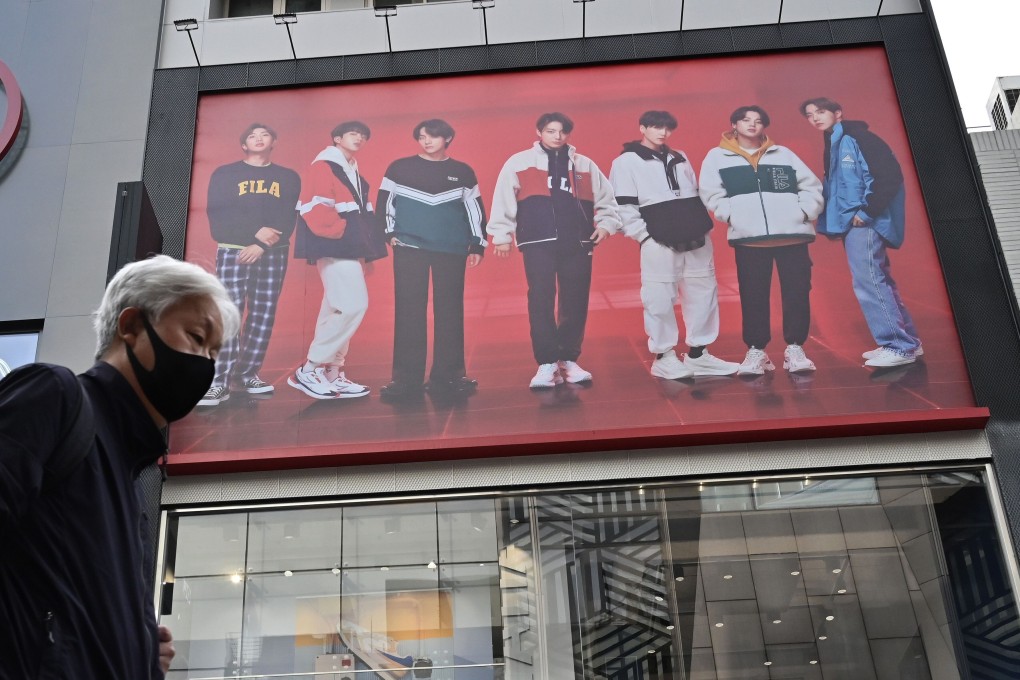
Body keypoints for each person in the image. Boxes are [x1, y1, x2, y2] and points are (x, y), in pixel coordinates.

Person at [0, 255, 240, 680]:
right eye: (196, 336)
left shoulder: (131, 484)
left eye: (214, 352)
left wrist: (134, 650)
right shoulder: (53, 396)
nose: (206, 363)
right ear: (130, 326)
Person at [488, 112, 621, 388]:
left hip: (578, 241)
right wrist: (500, 234)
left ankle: (568, 359)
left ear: (568, 134)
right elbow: (503, 198)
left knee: (575, 300)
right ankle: (547, 362)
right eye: (550, 131)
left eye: (561, 131)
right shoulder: (520, 162)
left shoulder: (584, 164)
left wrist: (606, 225)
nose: (557, 136)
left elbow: (608, 199)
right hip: (537, 241)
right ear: (539, 132)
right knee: (541, 299)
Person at [609, 110, 740, 380]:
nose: (663, 133)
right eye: (656, 127)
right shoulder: (626, 162)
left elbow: (695, 193)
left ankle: (698, 355)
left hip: (696, 236)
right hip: (658, 239)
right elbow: (622, 206)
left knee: (704, 294)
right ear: (642, 127)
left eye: (667, 128)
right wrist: (643, 236)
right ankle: (664, 357)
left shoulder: (678, 156)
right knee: (658, 298)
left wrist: (704, 227)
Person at [699, 105, 824, 375]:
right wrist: (732, 215)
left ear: (764, 126)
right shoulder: (717, 157)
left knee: (797, 293)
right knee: (753, 295)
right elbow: (710, 193)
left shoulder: (784, 154)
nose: (752, 125)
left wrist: (804, 212)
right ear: (734, 124)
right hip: (749, 239)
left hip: (793, 236)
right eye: (746, 120)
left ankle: (795, 349)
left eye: (758, 121)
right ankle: (756, 351)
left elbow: (811, 185)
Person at [801, 97, 922, 368]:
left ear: (838, 112)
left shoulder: (859, 137)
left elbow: (889, 175)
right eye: (810, 115)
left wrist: (866, 212)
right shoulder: (834, 140)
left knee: (870, 282)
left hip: (865, 222)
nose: (815, 118)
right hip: (852, 222)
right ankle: (909, 341)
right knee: (881, 281)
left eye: (821, 112)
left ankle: (899, 346)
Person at [376, 119, 486, 401]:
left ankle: (449, 377)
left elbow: (474, 209)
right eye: (422, 137)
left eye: (433, 137)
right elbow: (385, 201)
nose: (426, 142)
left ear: (447, 138)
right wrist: (388, 233)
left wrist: (477, 244)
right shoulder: (399, 168)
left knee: (450, 311)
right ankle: (405, 381)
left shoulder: (462, 172)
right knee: (408, 312)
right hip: (409, 245)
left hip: (452, 248)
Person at [199, 123, 301, 407]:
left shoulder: (288, 177)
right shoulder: (225, 174)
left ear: (274, 141)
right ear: (243, 144)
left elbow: (287, 217)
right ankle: (219, 381)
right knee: (230, 313)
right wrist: (253, 237)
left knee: (263, 314)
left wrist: (263, 245)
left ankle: (247, 373)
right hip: (234, 250)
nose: (258, 139)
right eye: (252, 136)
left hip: (274, 252)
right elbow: (218, 214)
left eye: (264, 134)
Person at [290, 121, 387, 399]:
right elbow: (315, 209)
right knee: (352, 305)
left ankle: (332, 373)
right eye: (353, 133)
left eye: (364, 135)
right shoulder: (323, 166)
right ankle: (309, 370)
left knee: (334, 309)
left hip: (348, 248)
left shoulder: (352, 172)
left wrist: (365, 252)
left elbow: (365, 219)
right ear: (336, 138)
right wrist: (345, 235)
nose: (360, 138)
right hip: (334, 246)